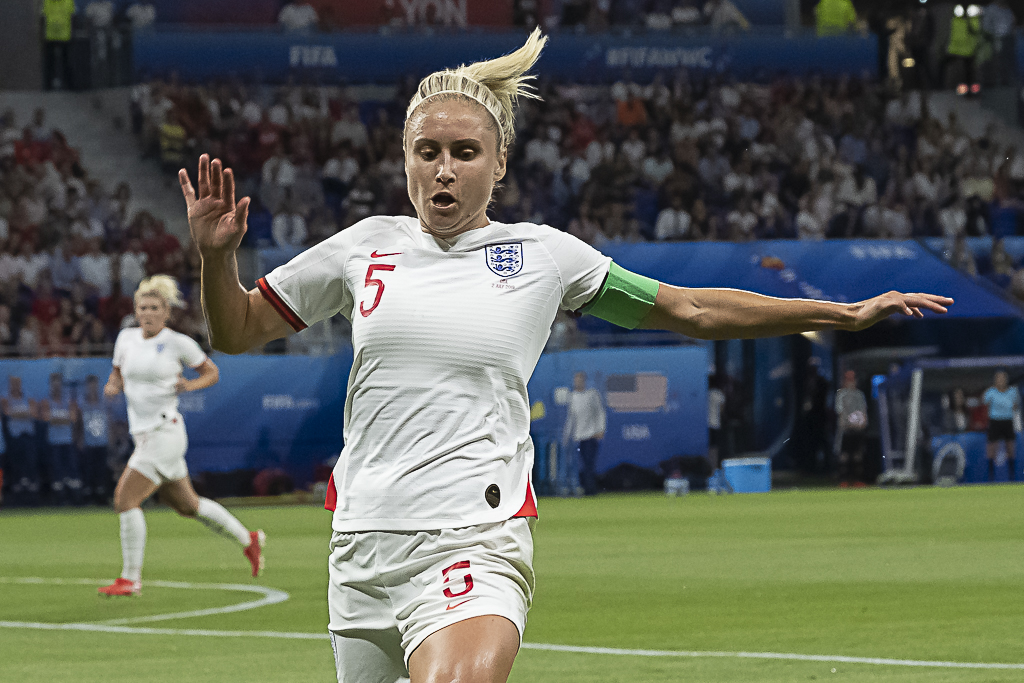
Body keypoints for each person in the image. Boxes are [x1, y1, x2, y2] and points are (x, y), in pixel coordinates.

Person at [179, 29, 952, 683]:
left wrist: (836, 311)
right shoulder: (364, 247)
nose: (444, 168)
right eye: (427, 151)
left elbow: (688, 307)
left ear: (500, 163)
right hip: (362, 546)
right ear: (406, 160)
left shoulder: (544, 257)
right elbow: (239, 329)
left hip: (471, 539)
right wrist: (217, 260)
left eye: (464, 151)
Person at [97, 275, 265, 597]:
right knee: (190, 506)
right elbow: (117, 372)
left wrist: (188, 386)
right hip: (144, 434)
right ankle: (249, 540)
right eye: (142, 307)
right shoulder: (126, 339)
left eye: (154, 308)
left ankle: (130, 579)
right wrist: (113, 385)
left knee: (125, 500)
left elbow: (211, 372)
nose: (146, 313)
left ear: (166, 312)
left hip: (165, 432)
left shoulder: (177, 342)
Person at [561, 371, 606, 497]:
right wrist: (567, 435)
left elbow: (600, 412)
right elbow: (571, 418)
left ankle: (590, 489)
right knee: (583, 464)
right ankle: (585, 488)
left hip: (591, 435)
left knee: (589, 463)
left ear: (584, 381)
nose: (578, 382)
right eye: (576, 380)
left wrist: (600, 429)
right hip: (579, 437)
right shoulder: (573, 397)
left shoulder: (592, 395)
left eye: (580, 380)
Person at [39, 372, 81, 505]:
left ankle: (74, 498)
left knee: (71, 470)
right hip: (54, 442)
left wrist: (55, 418)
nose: (56, 387)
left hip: (67, 441)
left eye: (58, 384)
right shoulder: (46, 401)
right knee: (56, 470)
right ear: (50, 385)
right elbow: (45, 418)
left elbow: (73, 418)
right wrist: (65, 418)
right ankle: (59, 499)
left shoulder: (68, 401)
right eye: (54, 384)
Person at [1, 376, 40, 506]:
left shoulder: (28, 397)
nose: (16, 386)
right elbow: (7, 412)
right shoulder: (5, 398)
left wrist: (17, 413)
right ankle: (17, 495)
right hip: (15, 437)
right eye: (13, 383)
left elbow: (34, 413)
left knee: (30, 463)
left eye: (18, 383)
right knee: (17, 464)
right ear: (10, 385)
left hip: (28, 436)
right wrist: (25, 413)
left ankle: (32, 494)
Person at [79, 374, 113, 504]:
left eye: (94, 386)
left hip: (101, 442)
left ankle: (101, 496)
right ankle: (88, 496)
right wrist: (80, 439)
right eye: (90, 386)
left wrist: (110, 439)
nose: (92, 388)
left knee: (101, 471)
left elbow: (109, 422)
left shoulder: (103, 403)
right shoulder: (83, 403)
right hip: (89, 442)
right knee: (89, 470)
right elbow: (80, 424)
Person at [983, 370, 1020, 482]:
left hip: (1007, 421)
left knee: (1010, 448)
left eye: (1003, 378)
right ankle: (990, 477)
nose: (1001, 380)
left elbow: (1015, 406)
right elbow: (985, 404)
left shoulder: (1013, 391)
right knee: (992, 449)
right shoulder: (990, 392)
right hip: (995, 421)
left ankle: (1012, 477)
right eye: (998, 378)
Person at [835, 370, 868, 487]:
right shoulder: (841, 394)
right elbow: (840, 412)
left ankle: (857, 479)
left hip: (857, 429)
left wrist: (862, 423)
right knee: (844, 456)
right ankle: (843, 480)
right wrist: (846, 424)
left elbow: (863, 411)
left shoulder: (859, 394)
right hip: (846, 430)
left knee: (857, 455)